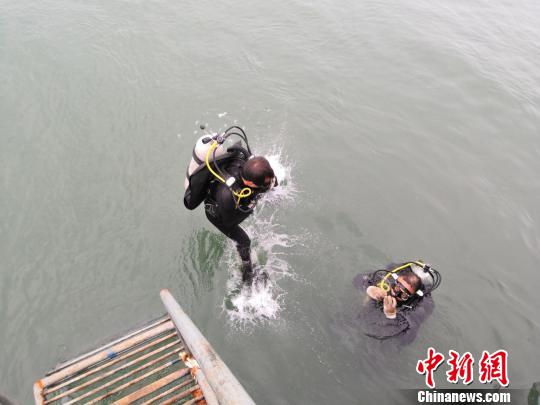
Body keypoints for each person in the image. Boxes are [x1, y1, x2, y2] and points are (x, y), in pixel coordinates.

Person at [203, 156, 277, 282]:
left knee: (264, 186)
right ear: (249, 183)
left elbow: (268, 179)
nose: (268, 184)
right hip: (218, 214)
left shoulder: (245, 163)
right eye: (264, 183)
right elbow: (229, 223)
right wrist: (251, 206)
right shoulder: (227, 196)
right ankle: (247, 272)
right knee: (244, 241)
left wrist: (270, 185)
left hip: (238, 196)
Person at [352, 262, 440, 344]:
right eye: (397, 288)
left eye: (404, 295)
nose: (395, 294)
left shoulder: (420, 307)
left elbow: (406, 340)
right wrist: (369, 288)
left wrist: (391, 316)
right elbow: (357, 279)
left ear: (411, 297)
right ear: (395, 281)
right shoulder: (387, 279)